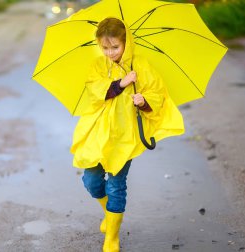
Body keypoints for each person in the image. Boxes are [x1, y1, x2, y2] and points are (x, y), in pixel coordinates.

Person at [70, 17, 184, 251]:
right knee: (92, 181)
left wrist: (143, 100)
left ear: (126, 43)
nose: (110, 52)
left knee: (116, 185)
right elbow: (95, 91)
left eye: (115, 47)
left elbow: (157, 93)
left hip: (125, 136)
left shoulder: (140, 65)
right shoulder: (97, 66)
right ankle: (107, 212)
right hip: (97, 132)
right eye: (105, 47)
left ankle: (112, 235)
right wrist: (120, 83)